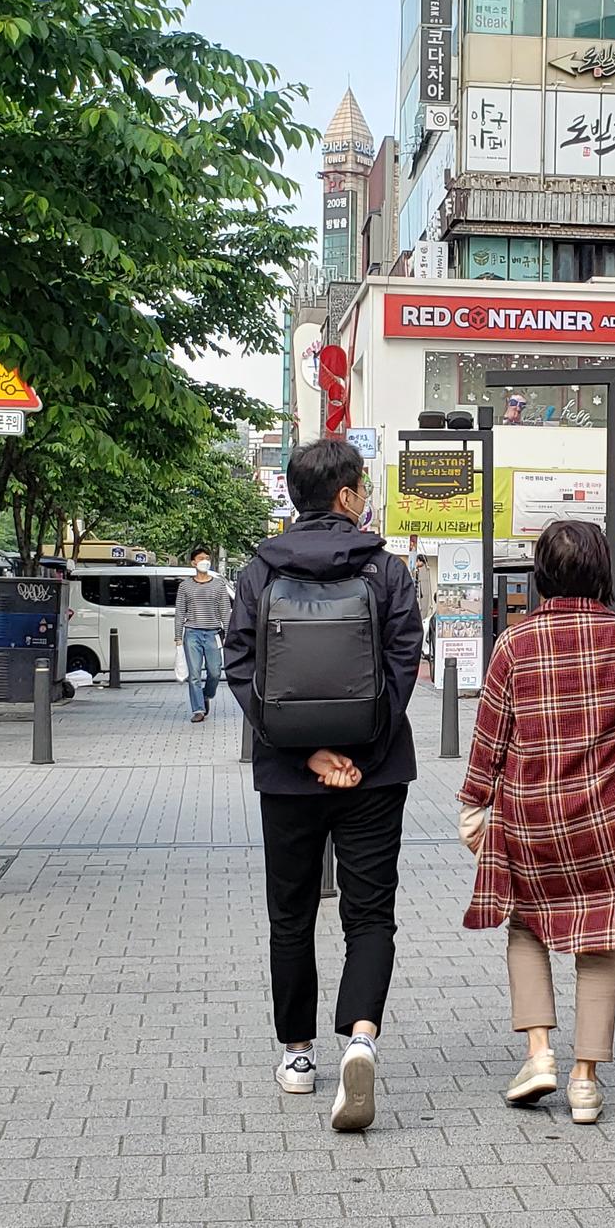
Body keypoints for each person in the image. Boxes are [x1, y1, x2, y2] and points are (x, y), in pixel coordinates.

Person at [458, 519, 615, 1126]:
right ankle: (585, 1082)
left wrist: (473, 801)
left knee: (527, 930)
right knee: (599, 944)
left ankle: (539, 1054)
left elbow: (490, 734)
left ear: (541, 573)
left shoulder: (515, 643)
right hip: (610, 820)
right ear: (603, 573)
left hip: (529, 818)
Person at [223, 436, 422, 1131]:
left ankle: (299, 1054)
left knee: (292, 913)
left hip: (287, 773)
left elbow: (241, 666)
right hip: (375, 769)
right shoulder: (387, 571)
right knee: (369, 912)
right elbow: (402, 665)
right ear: (345, 496)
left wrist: (306, 753)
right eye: (363, 485)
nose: (365, 495)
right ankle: (361, 1035)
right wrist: (357, 748)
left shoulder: (258, 572)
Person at [174, 548, 231, 722]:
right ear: (193, 563)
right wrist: (177, 637)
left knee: (215, 672)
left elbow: (225, 611)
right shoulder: (185, 586)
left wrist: (228, 634)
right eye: (201, 558)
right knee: (194, 674)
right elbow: (179, 612)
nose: (205, 561)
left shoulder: (219, 585)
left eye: (207, 558)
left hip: (213, 632)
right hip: (192, 633)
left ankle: (206, 695)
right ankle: (198, 710)